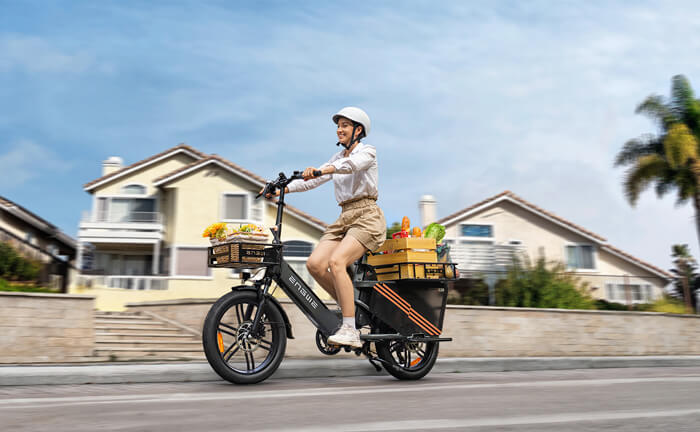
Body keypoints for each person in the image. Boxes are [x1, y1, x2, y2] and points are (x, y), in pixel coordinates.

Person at [266, 107, 386, 348]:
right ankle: (349, 311)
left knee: (337, 262)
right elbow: (312, 182)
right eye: (338, 126)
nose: (339, 130)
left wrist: (324, 169)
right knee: (316, 264)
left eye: (344, 125)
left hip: (367, 216)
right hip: (345, 216)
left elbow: (351, 166)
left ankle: (351, 330)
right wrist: (282, 189)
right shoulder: (336, 158)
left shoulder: (367, 152)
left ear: (358, 130)